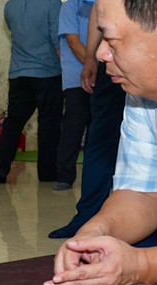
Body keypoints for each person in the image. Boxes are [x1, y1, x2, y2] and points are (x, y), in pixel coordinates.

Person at [42, 0, 157, 285]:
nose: (100, 53)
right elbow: (143, 194)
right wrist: (93, 235)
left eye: (109, 37)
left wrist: (141, 267)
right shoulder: (144, 93)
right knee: (119, 250)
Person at [47, 2, 127, 239]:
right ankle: (88, 217)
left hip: (142, 56)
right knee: (100, 139)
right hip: (113, 66)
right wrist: (92, 58)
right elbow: (98, 10)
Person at [0, 0, 63, 184]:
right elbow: (58, 42)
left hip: (18, 73)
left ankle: (1, 169)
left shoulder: (10, 5)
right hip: (48, 72)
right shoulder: (52, 4)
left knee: (13, 123)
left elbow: (11, 29)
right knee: (49, 124)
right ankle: (47, 173)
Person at [53, 0, 94, 192]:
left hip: (101, 79)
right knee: (73, 129)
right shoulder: (70, 7)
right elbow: (73, 42)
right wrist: (93, 66)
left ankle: (97, 175)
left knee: (99, 131)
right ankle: (65, 177)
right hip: (76, 80)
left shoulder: (104, 5)